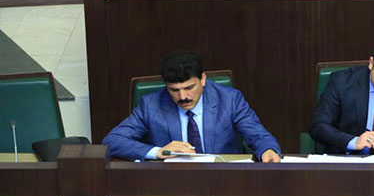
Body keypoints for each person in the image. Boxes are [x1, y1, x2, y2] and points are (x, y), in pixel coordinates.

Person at [103, 51, 281, 162]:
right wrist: (158, 152)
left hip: (223, 179)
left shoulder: (229, 99)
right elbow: (112, 141)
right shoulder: (151, 105)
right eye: (174, 90)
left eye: (189, 88)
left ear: (203, 79)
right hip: (171, 183)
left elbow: (257, 134)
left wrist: (268, 150)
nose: (183, 97)